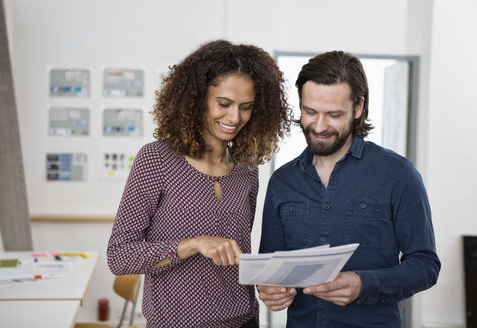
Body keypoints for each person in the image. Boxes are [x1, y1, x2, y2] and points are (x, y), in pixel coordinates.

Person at [107, 40, 291, 328]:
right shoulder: (157, 159)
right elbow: (119, 257)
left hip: (244, 321)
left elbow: (236, 257)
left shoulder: (247, 170)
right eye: (224, 104)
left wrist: (269, 283)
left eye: (246, 107)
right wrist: (193, 245)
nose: (234, 118)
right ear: (196, 98)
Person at [257, 51, 441, 327]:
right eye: (310, 112)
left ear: (358, 108)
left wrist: (364, 283)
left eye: (333, 114)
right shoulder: (282, 181)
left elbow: (426, 265)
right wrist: (270, 290)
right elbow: (270, 266)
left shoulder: (398, 174)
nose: (319, 126)